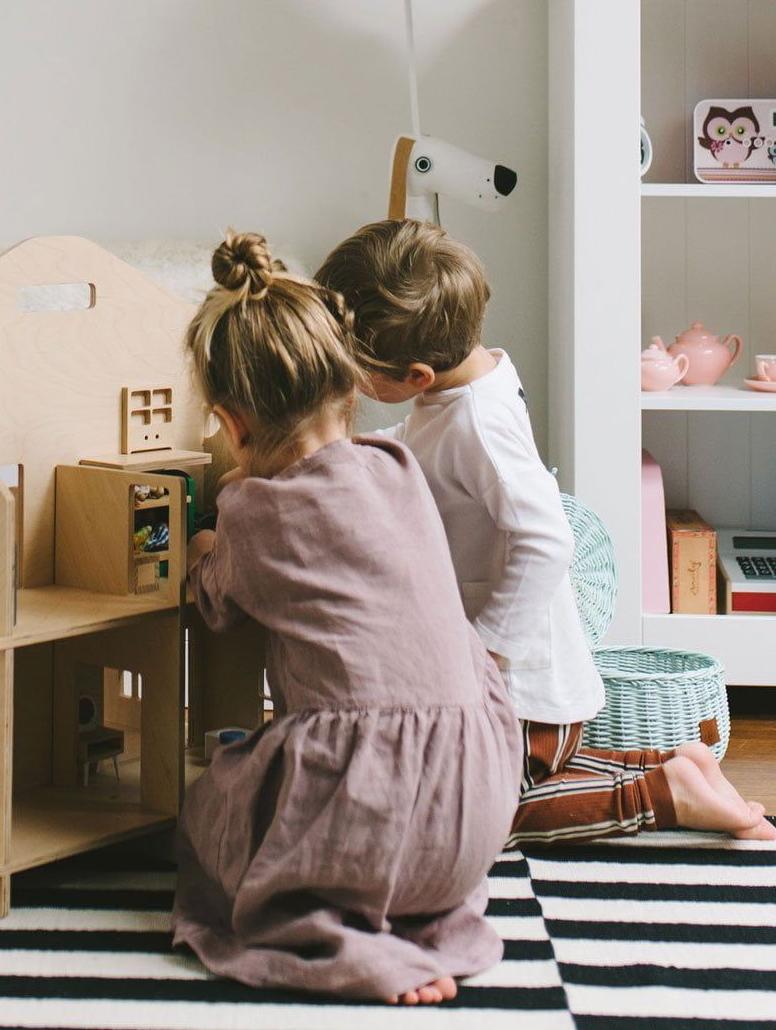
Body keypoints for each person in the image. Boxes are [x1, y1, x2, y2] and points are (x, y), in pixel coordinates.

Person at [316, 218, 776, 845]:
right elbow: (423, 447)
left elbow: (547, 538)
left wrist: (488, 649)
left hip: (520, 690)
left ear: (418, 376)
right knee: (515, 781)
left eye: (357, 372)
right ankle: (672, 765)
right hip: (516, 696)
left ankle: (660, 795)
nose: (351, 383)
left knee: (473, 814)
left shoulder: (478, 422)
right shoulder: (469, 386)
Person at [172, 232, 521, 1005]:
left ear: (231, 426)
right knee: (322, 765)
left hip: (372, 814)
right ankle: (421, 917)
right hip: (476, 805)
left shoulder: (255, 508)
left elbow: (215, 600)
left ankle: (341, 943)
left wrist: (201, 539)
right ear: (351, 390)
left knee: (211, 804)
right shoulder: (397, 470)